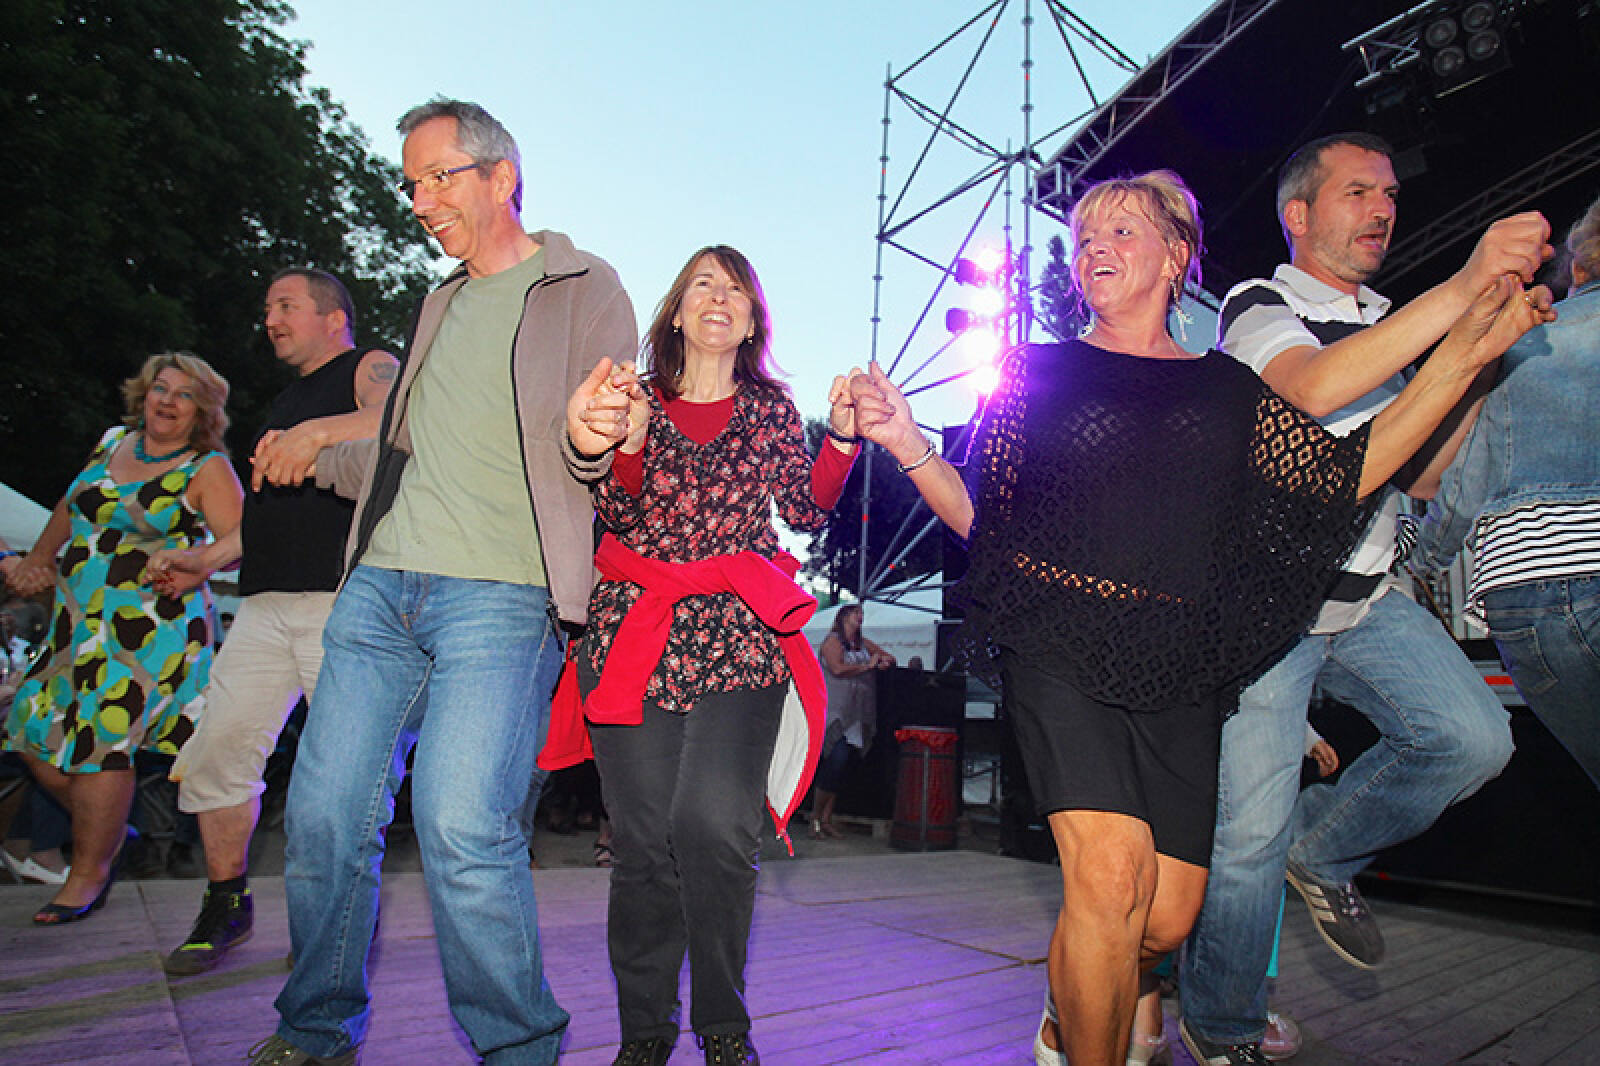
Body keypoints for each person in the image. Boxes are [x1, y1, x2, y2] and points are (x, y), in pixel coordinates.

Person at [846, 169, 1549, 1066]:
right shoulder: (1039, 370)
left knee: (1164, 919)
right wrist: (908, 443)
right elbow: (988, 521)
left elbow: (1348, 474)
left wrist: (1463, 356)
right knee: (1109, 881)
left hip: (1179, 668)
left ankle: (1068, 1016)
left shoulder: (1227, 391)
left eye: (1122, 232)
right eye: (1085, 237)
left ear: (1176, 257)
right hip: (1059, 647)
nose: (1094, 249)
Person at [244, 98, 636, 1066]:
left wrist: (595, 435)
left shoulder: (582, 283)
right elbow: (404, 447)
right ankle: (315, 1028)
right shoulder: (439, 304)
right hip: (381, 589)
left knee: (462, 825)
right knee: (325, 818)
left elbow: (605, 439)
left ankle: (519, 1047)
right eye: (411, 184)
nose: (420, 201)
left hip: (502, 594)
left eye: (438, 177)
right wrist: (314, 455)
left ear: (502, 176)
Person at [1178, 133, 1550, 1065]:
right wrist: (1460, 294)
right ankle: (1222, 1025)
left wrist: (1481, 357)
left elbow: (1421, 476)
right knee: (1248, 831)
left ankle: (1324, 849)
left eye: (1388, 194)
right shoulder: (1259, 304)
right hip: (1272, 607)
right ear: (1299, 215)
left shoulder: (1391, 319)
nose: (1383, 208)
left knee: (1472, 738)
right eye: (1358, 192)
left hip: (1367, 597)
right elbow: (1311, 391)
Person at [556, 244, 858, 1066]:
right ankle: (645, 1032)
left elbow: (805, 510)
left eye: (735, 288)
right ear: (678, 312)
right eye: (702, 285)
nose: (718, 297)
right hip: (637, 627)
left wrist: (842, 439)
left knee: (717, 827)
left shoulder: (770, 409)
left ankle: (723, 1023)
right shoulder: (634, 397)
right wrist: (629, 443)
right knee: (643, 841)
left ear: (752, 319)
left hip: (738, 631)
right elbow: (617, 512)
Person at [145, 268, 397, 976]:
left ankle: (337, 928)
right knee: (217, 753)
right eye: (267, 308)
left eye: (286, 305)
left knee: (346, 778)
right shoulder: (285, 402)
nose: (271, 319)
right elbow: (265, 515)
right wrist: (203, 560)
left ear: (334, 317)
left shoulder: (369, 367)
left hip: (342, 605)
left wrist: (314, 435)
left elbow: (404, 420)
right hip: (261, 607)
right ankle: (226, 902)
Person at [1, 353, 242, 924]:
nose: (168, 401)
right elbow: (72, 504)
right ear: (144, 393)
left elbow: (237, 542)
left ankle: (87, 875)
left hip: (149, 632)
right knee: (31, 730)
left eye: (184, 395)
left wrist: (197, 564)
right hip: (74, 623)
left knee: (102, 745)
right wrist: (39, 558)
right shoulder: (113, 442)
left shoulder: (207, 469)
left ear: (202, 412)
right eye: (161, 388)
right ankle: (106, 830)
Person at [1411, 191, 1600, 789]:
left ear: (1577, 267)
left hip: (1531, 594)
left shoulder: (1519, 340)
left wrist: (1423, 562)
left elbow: (1467, 476)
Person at [813, 603, 893, 838]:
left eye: (861, 613)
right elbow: (837, 669)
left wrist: (882, 661)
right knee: (835, 759)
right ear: (844, 616)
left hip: (857, 713)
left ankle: (826, 818)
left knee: (843, 764)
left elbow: (888, 657)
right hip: (836, 711)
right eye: (856, 613)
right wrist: (866, 666)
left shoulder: (863, 643)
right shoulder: (833, 641)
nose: (860, 616)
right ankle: (816, 817)